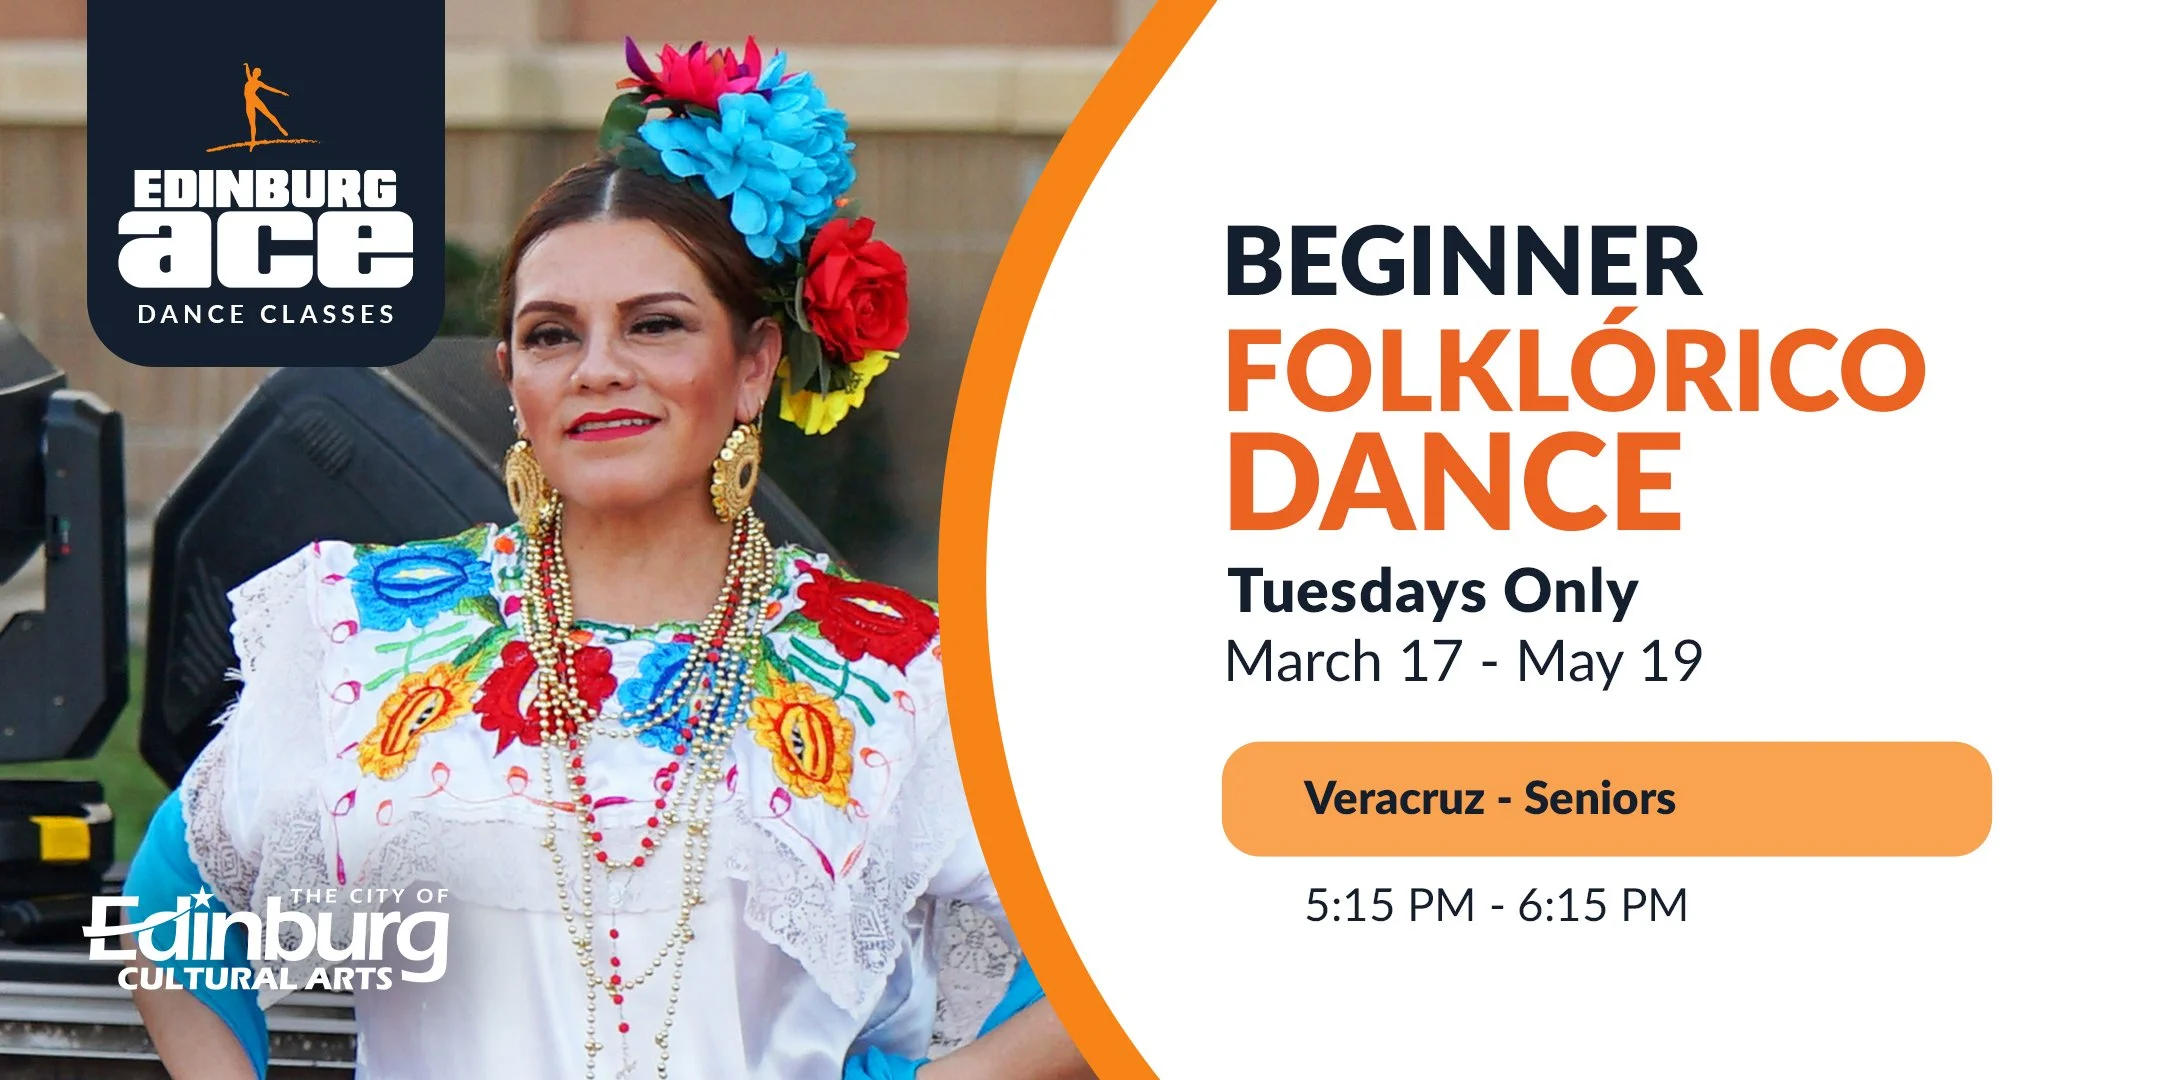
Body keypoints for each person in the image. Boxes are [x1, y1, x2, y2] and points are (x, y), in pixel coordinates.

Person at [124, 36, 1088, 1080]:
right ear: (511, 379)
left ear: (754, 363)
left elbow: (1094, 960)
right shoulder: (377, 637)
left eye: (655, 325)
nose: (598, 370)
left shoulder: (890, 677)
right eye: (551, 335)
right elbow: (173, 904)